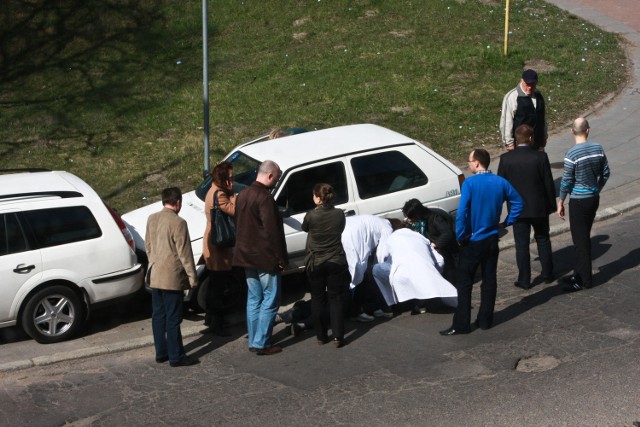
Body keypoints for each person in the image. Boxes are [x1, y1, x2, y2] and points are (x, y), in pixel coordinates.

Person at [440, 148, 523, 336]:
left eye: (469, 161)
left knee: (464, 283)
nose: (468, 164)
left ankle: (461, 324)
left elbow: (461, 214)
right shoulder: (501, 182)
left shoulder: (470, 184)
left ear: (477, 163)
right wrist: (506, 222)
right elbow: (518, 203)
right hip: (492, 238)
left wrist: (460, 235)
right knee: (489, 279)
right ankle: (485, 319)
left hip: (473, 240)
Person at [233, 160, 288, 355]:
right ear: (270, 176)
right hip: (264, 257)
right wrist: (281, 258)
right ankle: (262, 342)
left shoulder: (242, 195)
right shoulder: (265, 198)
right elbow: (272, 232)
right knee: (270, 300)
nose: (277, 182)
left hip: (246, 256)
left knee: (254, 299)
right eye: (277, 177)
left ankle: (254, 338)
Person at [145, 187, 199, 367]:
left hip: (155, 274)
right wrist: (192, 277)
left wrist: (153, 262)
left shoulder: (152, 219)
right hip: (172, 277)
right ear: (178, 203)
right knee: (173, 318)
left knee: (158, 316)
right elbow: (185, 253)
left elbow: (148, 245)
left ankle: (161, 352)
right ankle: (176, 356)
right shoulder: (179, 223)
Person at [498, 124, 556, 289]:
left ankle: (524, 279)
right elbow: (548, 184)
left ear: (516, 139)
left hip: (518, 210)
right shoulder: (540, 157)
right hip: (539, 208)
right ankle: (548, 274)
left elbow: (501, 186)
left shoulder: (506, 159)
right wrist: (551, 205)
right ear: (530, 138)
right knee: (543, 239)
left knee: (521, 245)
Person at [557, 117, 610, 292]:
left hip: (579, 201)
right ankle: (578, 272)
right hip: (593, 198)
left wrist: (561, 200)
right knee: (584, 235)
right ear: (588, 130)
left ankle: (584, 280)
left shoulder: (571, 154)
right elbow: (606, 173)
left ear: (572, 131)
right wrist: (597, 188)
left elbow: (566, 181)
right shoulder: (598, 149)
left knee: (580, 241)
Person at [302, 183, 351, 348]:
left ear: (317, 198)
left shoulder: (311, 215)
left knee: (317, 298)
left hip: (315, 261)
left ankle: (321, 336)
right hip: (336, 260)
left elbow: (305, 228)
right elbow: (341, 229)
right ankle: (338, 337)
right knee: (336, 299)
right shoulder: (339, 214)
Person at [372, 227, 458, 310]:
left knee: (376, 269)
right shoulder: (421, 237)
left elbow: (382, 256)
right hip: (425, 271)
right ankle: (423, 298)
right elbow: (440, 260)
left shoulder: (391, 238)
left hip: (401, 275)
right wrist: (434, 272)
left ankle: (391, 305)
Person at [202, 161, 236, 336]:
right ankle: (217, 324)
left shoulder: (213, 190)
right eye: (230, 177)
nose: (233, 179)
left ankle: (211, 319)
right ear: (224, 179)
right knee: (218, 287)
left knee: (215, 284)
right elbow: (234, 210)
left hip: (213, 243)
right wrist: (234, 194)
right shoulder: (220, 195)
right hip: (218, 247)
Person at [341, 215, 394, 321]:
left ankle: (363, 308)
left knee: (357, 273)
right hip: (353, 238)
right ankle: (356, 312)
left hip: (343, 231)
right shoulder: (388, 228)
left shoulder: (376, 220)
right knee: (360, 273)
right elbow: (382, 254)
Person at [402, 199, 457, 284]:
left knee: (449, 279)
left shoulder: (435, 218)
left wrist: (435, 244)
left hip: (446, 252)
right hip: (435, 253)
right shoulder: (421, 222)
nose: (410, 220)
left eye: (411, 218)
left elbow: (447, 233)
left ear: (417, 214)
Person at [500, 69, 548, 151]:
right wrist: (509, 143)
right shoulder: (512, 97)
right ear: (522, 81)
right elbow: (507, 121)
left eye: (533, 84)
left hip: (537, 143)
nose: (529, 87)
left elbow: (542, 118)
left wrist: (544, 137)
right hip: (520, 145)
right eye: (527, 84)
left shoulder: (538, 95)